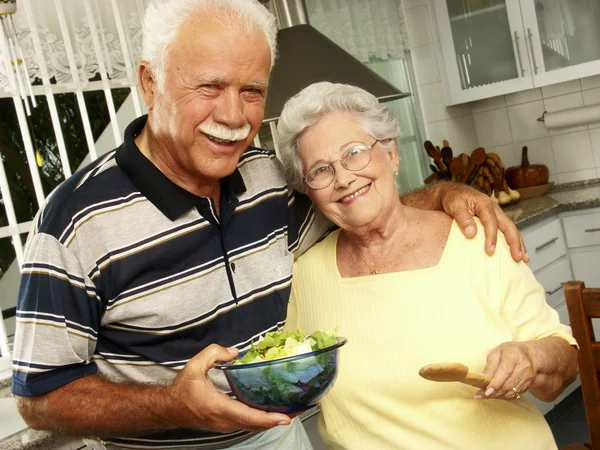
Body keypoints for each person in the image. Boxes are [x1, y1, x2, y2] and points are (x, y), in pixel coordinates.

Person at [12, 1, 526, 449]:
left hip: (284, 437)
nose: (234, 115)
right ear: (151, 82)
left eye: (253, 91)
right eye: (210, 86)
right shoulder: (75, 221)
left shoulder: (265, 178)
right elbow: (41, 397)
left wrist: (445, 191)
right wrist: (175, 403)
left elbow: (356, 205)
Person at [279, 82, 578, 450]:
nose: (343, 179)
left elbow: (564, 364)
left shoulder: (475, 240)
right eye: (321, 170)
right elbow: (288, 386)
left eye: (355, 153)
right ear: (308, 191)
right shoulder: (305, 276)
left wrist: (531, 358)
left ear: (391, 154)